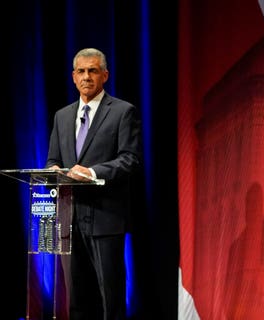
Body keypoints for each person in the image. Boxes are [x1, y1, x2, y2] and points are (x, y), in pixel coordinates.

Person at [46, 48, 142, 319]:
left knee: (110, 297)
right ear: (73, 77)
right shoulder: (62, 116)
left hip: (105, 218)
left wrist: (91, 172)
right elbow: (52, 159)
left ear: (105, 75)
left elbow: (130, 160)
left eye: (93, 70)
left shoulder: (123, 112)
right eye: (81, 71)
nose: (86, 76)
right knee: (76, 297)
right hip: (69, 218)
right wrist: (52, 170)